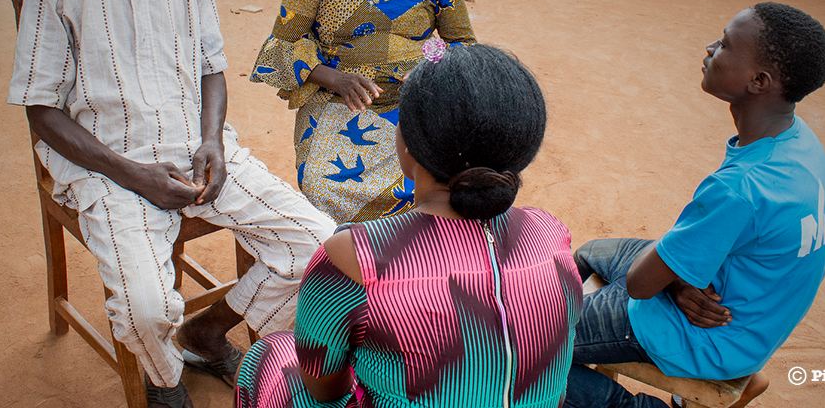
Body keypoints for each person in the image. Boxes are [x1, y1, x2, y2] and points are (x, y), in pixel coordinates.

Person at [7, 0, 335, 407]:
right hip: (110, 168)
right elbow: (41, 111)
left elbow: (212, 66)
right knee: (146, 308)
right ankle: (164, 380)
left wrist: (212, 140)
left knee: (320, 246)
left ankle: (208, 332)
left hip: (199, 154)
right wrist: (135, 176)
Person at [235, 42, 584, 408]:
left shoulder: (353, 258)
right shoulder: (550, 233)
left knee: (270, 354)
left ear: (407, 144)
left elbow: (326, 389)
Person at [565, 2, 825, 408]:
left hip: (702, 337)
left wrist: (669, 281)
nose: (710, 48)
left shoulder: (741, 187)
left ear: (759, 81)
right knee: (590, 254)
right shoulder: (800, 143)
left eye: (725, 45)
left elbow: (640, 286)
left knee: (515, 349)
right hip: (751, 318)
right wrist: (678, 281)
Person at [249, 0, 476, 225]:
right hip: (337, 100)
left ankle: (410, 259)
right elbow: (281, 46)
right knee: (323, 184)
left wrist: (427, 69)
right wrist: (335, 79)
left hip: (416, 103)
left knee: (440, 183)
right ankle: (344, 257)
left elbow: (462, 43)